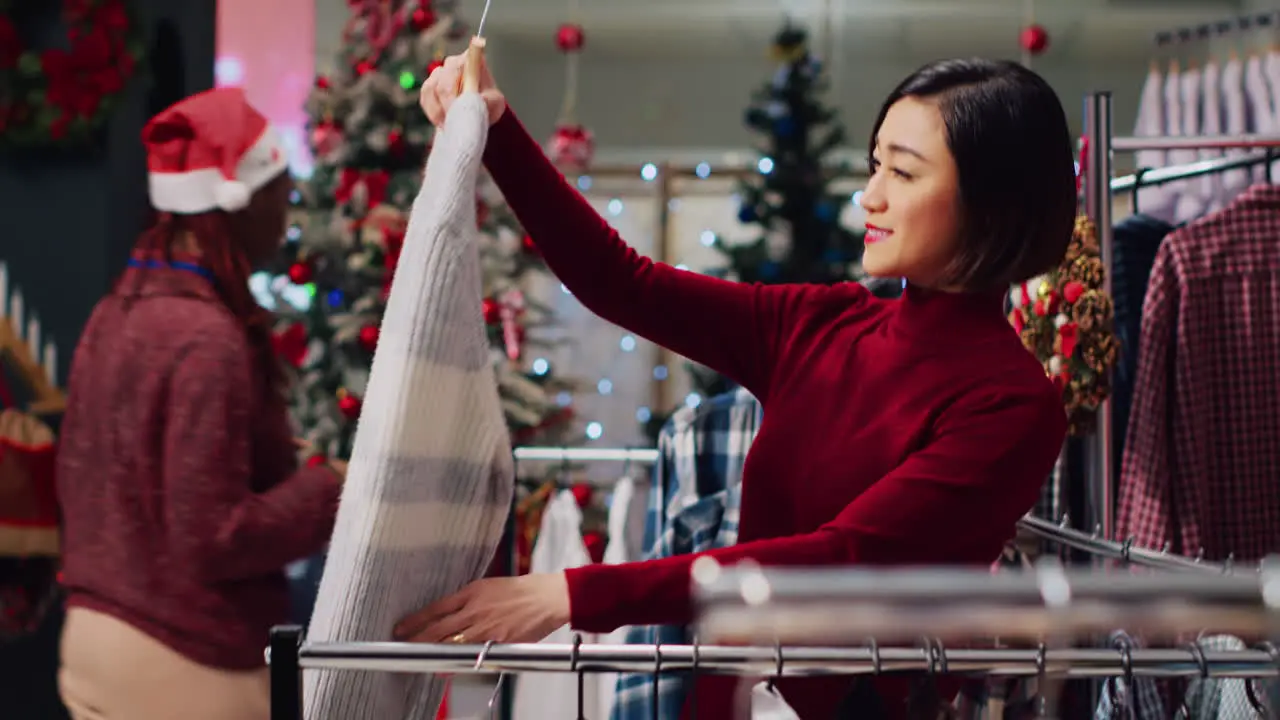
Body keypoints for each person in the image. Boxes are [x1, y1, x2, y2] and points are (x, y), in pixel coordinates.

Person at [399, 56, 1075, 718]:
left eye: (902, 171)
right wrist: (499, 127)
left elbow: (842, 558)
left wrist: (570, 595)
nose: (870, 195)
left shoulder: (1013, 405)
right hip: (727, 696)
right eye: (875, 165)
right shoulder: (828, 322)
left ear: (992, 203)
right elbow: (621, 282)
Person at [55, 88, 345, 720]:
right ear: (239, 203)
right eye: (281, 191)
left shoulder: (116, 312)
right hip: (183, 658)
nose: (288, 211)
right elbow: (213, 536)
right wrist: (330, 490)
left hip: (94, 637)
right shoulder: (208, 339)